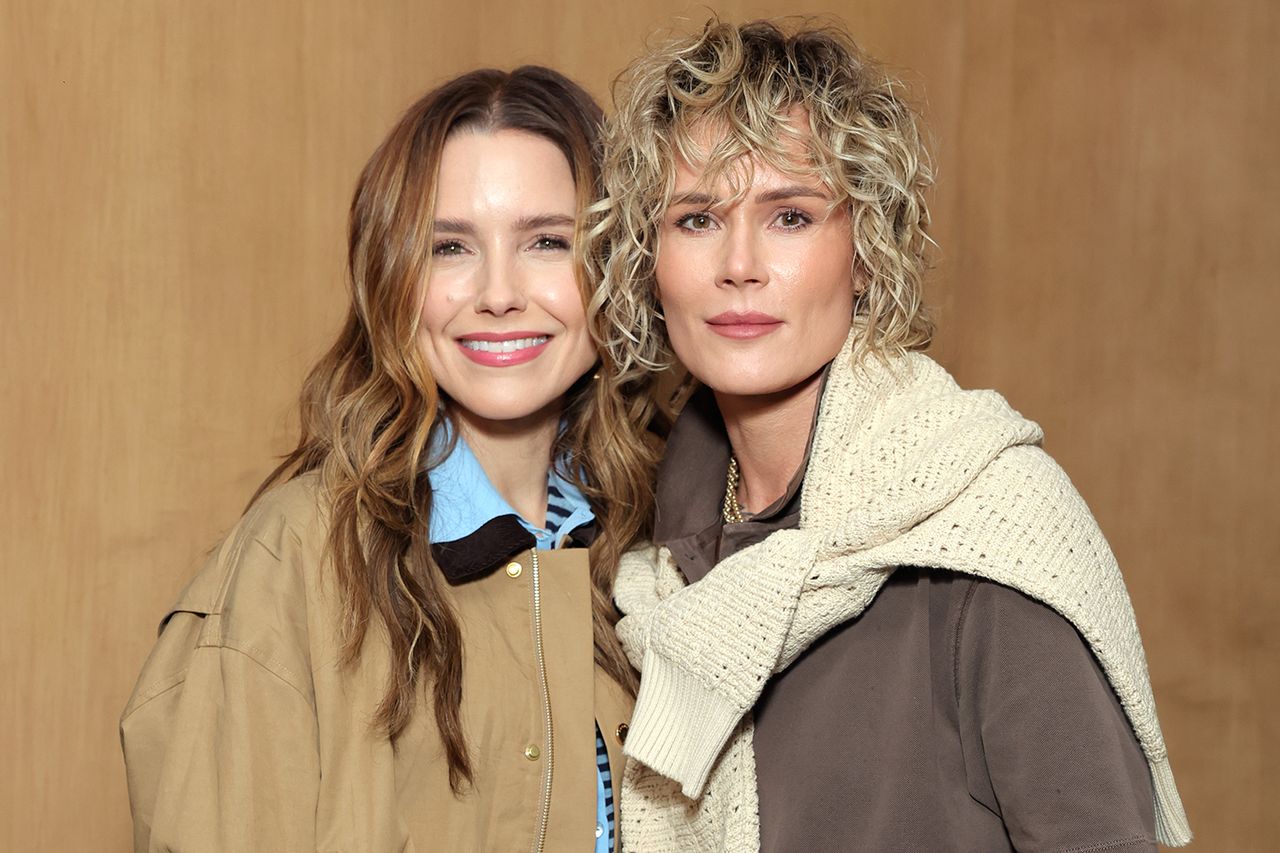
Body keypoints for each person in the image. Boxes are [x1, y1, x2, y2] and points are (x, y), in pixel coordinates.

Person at [590, 19, 1192, 852]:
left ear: (865, 250)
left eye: (790, 216)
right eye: (697, 218)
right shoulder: (649, 565)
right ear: (647, 260)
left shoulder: (992, 534)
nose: (740, 264)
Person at [120, 66, 656, 852]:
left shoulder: (661, 545)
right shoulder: (294, 559)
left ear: (618, 267)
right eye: (449, 247)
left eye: (547, 240)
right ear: (393, 278)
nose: (498, 292)